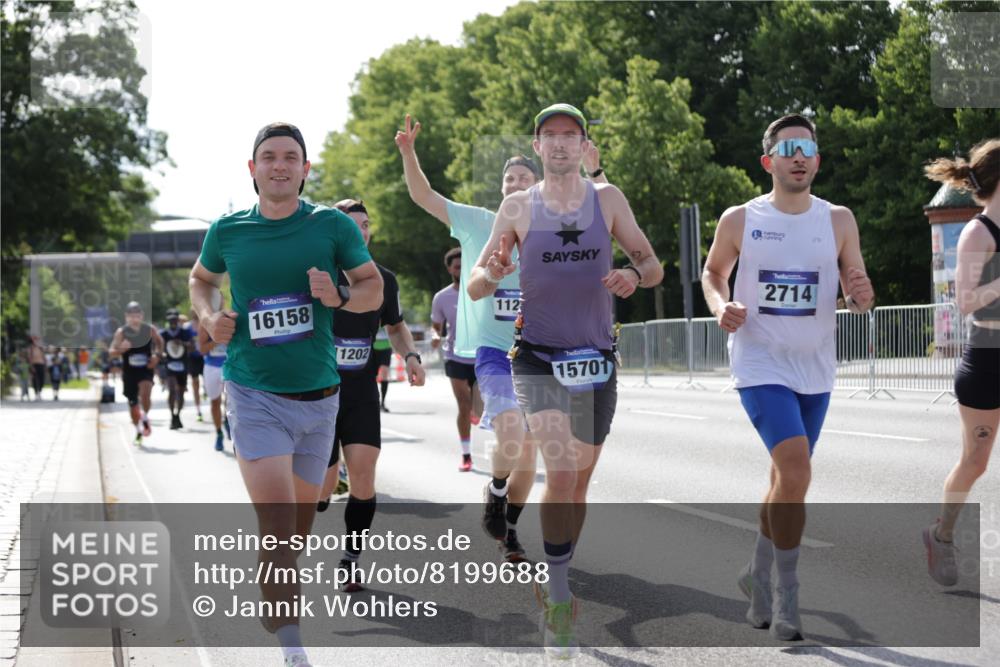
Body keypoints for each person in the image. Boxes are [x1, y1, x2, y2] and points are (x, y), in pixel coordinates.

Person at [467, 102, 663, 657]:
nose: (558, 144)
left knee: (578, 483)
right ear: (537, 145)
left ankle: (558, 568)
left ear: (583, 146)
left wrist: (631, 273)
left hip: (597, 357)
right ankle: (558, 596)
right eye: (549, 136)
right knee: (559, 470)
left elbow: (653, 265)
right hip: (537, 357)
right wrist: (493, 271)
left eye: (569, 135)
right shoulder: (516, 206)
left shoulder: (609, 200)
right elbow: (478, 284)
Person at [189, 122, 382, 667]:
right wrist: (209, 316)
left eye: (290, 157)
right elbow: (200, 280)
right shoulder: (227, 231)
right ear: (252, 169)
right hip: (254, 394)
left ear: (305, 168)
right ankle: (294, 650)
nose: (279, 166)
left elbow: (373, 290)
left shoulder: (331, 225)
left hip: (320, 401)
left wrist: (340, 292)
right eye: (268, 157)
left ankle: (277, 600)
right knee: (276, 523)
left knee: (295, 532)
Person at [398, 112, 609, 562]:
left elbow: (603, 215)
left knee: (528, 459)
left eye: (523, 178)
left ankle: (510, 527)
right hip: (496, 352)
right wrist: (409, 152)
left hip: (544, 351)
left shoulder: (554, 224)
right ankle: (494, 488)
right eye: (508, 178)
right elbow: (422, 196)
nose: (515, 184)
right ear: (500, 188)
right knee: (511, 431)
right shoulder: (477, 223)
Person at [701, 114, 875, 641]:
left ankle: (754, 572)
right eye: (788, 147)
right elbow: (712, 273)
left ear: (817, 160)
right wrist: (720, 305)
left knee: (785, 479)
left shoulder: (838, 219)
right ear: (768, 161)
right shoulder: (741, 218)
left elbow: (853, 277)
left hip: (816, 366)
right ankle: (787, 595)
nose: (799, 155)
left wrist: (860, 294)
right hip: (760, 362)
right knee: (796, 470)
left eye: (807, 147)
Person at [316, 198, 426, 592]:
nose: (360, 231)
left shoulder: (383, 279)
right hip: (317, 394)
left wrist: (411, 355)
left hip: (360, 391)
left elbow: (395, 327)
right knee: (321, 493)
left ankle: (350, 559)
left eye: (365, 224)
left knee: (364, 474)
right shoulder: (317, 276)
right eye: (351, 225)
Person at [922, 139, 1000, 585]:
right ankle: (942, 535)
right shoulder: (978, 233)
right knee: (976, 462)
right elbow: (966, 301)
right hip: (987, 363)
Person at [431, 247, 481, 471]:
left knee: (478, 409)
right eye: (457, 266)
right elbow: (437, 328)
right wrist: (434, 337)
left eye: (464, 265)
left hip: (482, 357)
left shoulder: (482, 291)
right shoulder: (442, 297)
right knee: (463, 404)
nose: (461, 269)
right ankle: (466, 454)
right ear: (450, 269)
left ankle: (474, 412)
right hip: (455, 356)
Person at [109, 302, 163, 445]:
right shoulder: (122, 332)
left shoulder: (149, 329)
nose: (134, 318)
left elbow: (160, 342)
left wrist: (157, 356)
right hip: (129, 372)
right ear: (126, 317)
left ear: (141, 316)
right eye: (131, 316)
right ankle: (138, 429)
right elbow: (111, 352)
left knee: (146, 391)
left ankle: (145, 416)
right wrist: (121, 349)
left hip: (146, 369)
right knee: (133, 405)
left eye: (137, 315)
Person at [197, 303, 229, 452]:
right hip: (211, 367)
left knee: (231, 401)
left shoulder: (230, 317)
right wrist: (216, 340)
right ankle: (218, 433)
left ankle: (228, 421)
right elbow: (202, 350)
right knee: (215, 402)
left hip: (228, 366)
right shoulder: (204, 323)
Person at [160, 308, 194, 429]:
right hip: (169, 365)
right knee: (172, 390)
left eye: (175, 319)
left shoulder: (184, 333)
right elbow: (158, 349)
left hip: (183, 365)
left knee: (180, 392)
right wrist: (161, 354)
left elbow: (193, 347)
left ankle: (177, 415)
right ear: (168, 321)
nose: (173, 322)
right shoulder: (163, 334)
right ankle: (171, 416)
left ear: (178, 320)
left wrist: (183, 343)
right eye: (171, 320)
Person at [186, 311, 206, 422]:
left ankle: (206, 390)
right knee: (195, 383)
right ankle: (198, 410)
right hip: (193, 359)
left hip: (205, 357)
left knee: (206, 381)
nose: (195, 313)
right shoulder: (187, 327)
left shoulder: (205, 323)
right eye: (193, 311)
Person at [372, 327, 393, 411]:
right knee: (372, 376)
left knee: (384, 374)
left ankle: (382, 403)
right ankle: (373, 401)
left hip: (386, 347)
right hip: (372, 346)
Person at [26, 335, 46, 400]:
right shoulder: (30, 349)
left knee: (41, 379)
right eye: (35, 340)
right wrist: (31, 367)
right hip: (34, 365)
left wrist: (45, 365)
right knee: (34, 380)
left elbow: (44, 357)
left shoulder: (40, 348)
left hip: (41, 365)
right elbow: (29, 359)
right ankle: (36, 393)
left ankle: (39, 392)